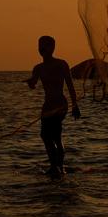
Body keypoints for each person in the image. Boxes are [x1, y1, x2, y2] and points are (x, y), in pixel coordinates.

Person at [25, 35, 81, 177]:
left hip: (60, 105)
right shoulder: (38, 68)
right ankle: (54, 166)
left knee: (54, 136)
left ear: (52, 47)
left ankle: (59, 167)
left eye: (45, 46)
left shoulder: (61, 64)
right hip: (47, 105)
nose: (42, 49)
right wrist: (30, 83)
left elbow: (70, 86)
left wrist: (75, 105)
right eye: (40, 46)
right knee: (45, 135)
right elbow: (33, 84)